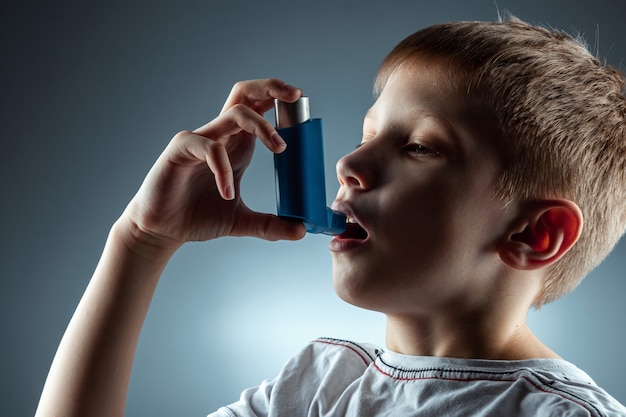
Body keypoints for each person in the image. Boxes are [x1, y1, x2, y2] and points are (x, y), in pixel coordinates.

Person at [35, 16, 626, 417]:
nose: (349, 163)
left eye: (419, 146)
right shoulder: (319, 385)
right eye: (369, 135)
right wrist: (140, 241)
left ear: (535, 233)